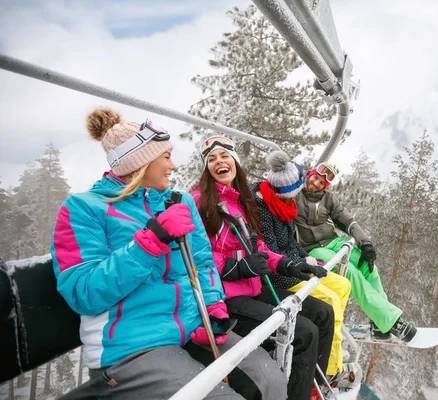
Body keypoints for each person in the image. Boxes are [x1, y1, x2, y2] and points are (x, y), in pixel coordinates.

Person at [50, 108, 286, 400]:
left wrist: (211, 307)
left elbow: (201, 261)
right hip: (132, 345)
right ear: (141, 160)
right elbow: (83, 292)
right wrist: (149, 243)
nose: (173, 166)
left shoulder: (179, 201)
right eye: (166, 157)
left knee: (270, 380)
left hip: (190, 326)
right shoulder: (84, 208)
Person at [191, 135, 335, 400]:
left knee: (322, 312)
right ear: (206, 168)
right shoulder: (199, 203)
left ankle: (314, 387)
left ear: (235, 161)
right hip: (227, 298)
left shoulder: (240, 201)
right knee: (304, 332)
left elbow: (258, 248)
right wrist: (237, 267)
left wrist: (289, 265)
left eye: (225, 156)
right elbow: (197, 255)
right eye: (211, 159)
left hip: (254, 289)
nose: (219, 162)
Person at [250, 150, 354, 383]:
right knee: (329, 300)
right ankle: (326, 369)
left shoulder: (283, 206)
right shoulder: (264, 210)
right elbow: (273, 253)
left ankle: (332, 359)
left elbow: (290, 243)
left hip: (295, 265)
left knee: (342, 285)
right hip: (282, 275)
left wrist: (306, 259)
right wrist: (300, 267)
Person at [294, 162, 417, 343]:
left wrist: (365, 243)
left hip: (333, 242)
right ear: (310, 174)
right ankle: (392, 322)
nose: (316, 183)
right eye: (315, 178)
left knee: (369, 269)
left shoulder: (329, 199)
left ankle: (378, 323)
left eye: (322, 183)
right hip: (313, 249)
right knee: (350, 273)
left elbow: (348, 221)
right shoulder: (294, 195)